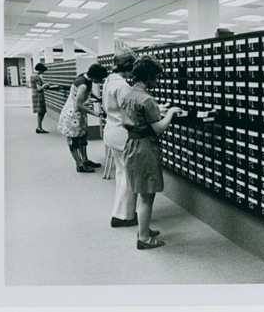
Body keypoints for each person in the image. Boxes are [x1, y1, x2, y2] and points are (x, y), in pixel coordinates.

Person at [120, 55, 182, 249]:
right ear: (148, 76)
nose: (156, 81)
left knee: (141, 191)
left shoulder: (129, 94)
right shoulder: (147, 99)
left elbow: (140, 117)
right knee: (148, 195)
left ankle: (143, 229)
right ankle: (144, 239)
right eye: (155, 77)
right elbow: (159, 128)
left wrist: (157, 110)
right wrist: (171, 112)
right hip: (145, 148)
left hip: (131, 144)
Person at [102, 48, 139, 227]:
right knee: (129, 175)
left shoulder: (109, 80)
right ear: (130, 66)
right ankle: (124, 216)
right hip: (122, 134)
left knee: (121, 173)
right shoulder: (122, 85)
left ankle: (120, 212)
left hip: (111, 131)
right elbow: (130, 112)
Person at [58, 63, 108, 173]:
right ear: (96, 76)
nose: (100, 81)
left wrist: (97, 98)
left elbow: (88, 93)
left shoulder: (85, 77)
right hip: (72, 116)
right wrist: (95, 113)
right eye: (100, 79)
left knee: (83, 138)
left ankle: (85, 160)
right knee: (74, 141)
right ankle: (79, 164)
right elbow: (79, 105)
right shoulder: (83, 85)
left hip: (79, 115)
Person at [29, 63, 49, 134]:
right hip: (38, 96)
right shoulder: (37, 76)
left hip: (34, 94)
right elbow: (39, 88)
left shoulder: (32, 75)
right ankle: (39, 128)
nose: (43, 72)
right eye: (43, 71)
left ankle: (39, 127)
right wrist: (44, 85)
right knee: (41, 112)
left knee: (40, 112)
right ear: (40, 70)